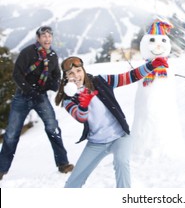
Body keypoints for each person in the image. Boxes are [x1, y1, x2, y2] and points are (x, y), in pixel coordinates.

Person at [54, 55, 168, 188]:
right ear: (66, 77)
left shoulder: (101, 81)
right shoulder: (68, 99)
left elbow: (129, 76)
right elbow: (81, 117)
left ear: (83, 70)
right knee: (72, 183)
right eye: (71, 73)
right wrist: (83, 105)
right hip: (96, 143)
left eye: (79, 71)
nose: (77, 75)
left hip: (120, 136)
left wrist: (151, 66)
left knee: (121, 162)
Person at [0, 26, 74, 181]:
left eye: (49, 36)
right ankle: (1, 169)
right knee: (12, 133)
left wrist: (58, 86)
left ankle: (63, 163)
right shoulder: (28, 52)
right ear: (38, 38)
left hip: (40, 97)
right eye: (44, 36)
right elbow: (17, 74)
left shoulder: (53, 56)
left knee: (53, 127)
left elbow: (56, 77)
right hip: (22, 97)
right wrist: (29, 90)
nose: (47, 39)